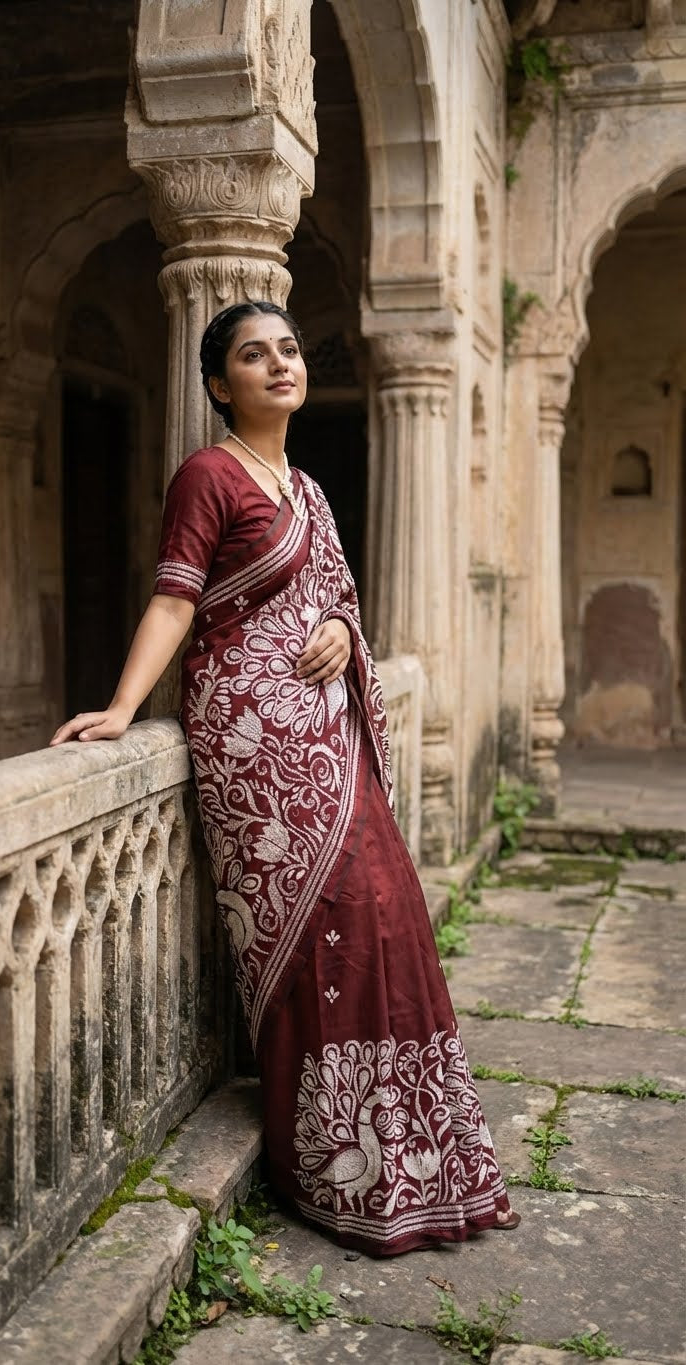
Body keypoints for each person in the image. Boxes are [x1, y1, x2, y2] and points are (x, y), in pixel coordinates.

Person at [51, 300, 519, 1253]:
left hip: (330, 731)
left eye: (290, 350)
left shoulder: (306, 488)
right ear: (220, 384)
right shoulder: (208, 475)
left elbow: (337, 596)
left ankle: (413, 1156)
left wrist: (345, 632)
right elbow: (177, 599)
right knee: (325, 930)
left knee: (385, 911)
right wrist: (124, 705)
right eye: (254, 356)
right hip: (255, 745)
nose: (280, 365)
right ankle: (332, 1164)